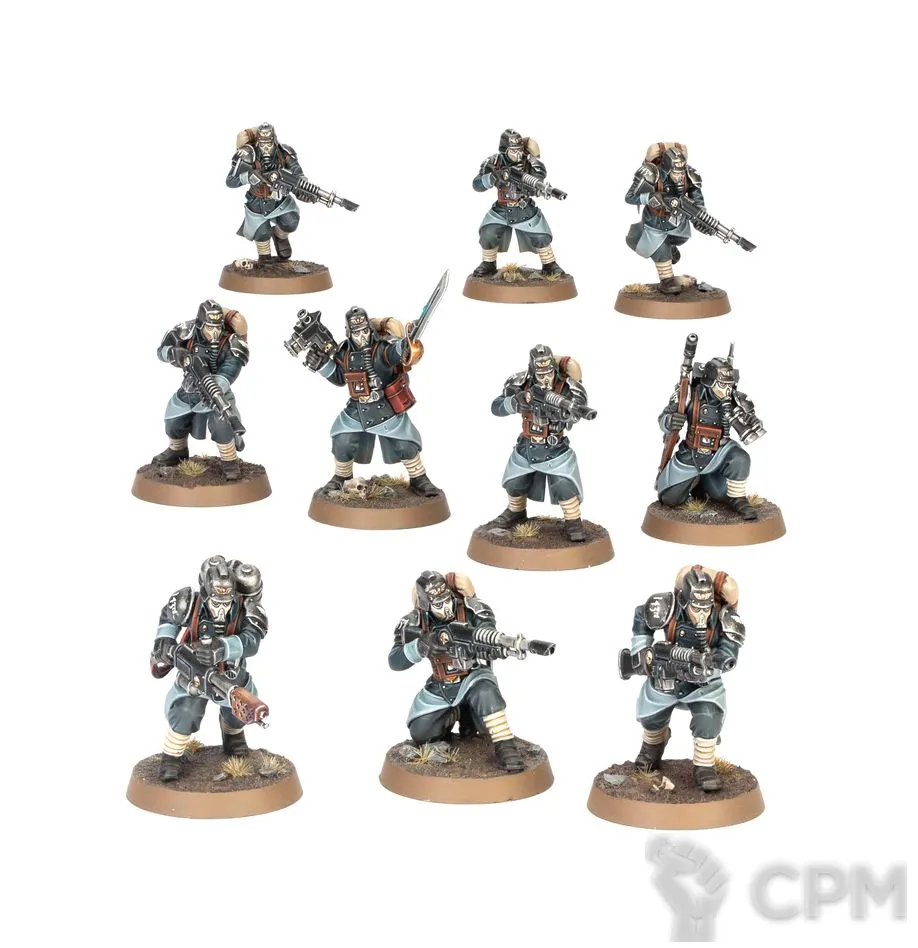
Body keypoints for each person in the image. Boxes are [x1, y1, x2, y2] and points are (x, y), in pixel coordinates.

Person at [388, 571, 525, 772]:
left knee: (486, 696)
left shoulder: (473, 609)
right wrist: (421, 646)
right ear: (426, 605)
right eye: (438, 604)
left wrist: (493, 643)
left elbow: (488, 632)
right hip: (441, 683)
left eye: (447, 599)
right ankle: (460, 712)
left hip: (473, 676)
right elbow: (394, 661)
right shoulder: (414, 621)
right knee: (421, 732)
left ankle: (506, 748)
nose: (446, 607)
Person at [149, 556, 267, 782]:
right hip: (191, 674)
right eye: (216, 602)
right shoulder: (188, 602)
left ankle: (232, 736)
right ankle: (171, 756)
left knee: (238, 710)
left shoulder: (246, 608)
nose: (221, 608)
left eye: (226, 602)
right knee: (185, 713)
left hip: (230, 675)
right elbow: (168, 616)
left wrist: (223, 647)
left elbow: (252, 640)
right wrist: (164, 640)